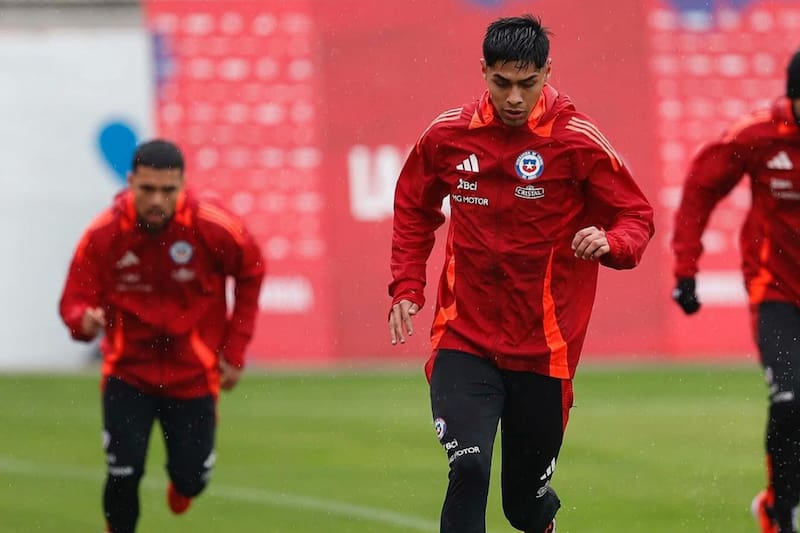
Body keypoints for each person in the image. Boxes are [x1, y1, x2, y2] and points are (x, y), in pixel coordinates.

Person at [387, 14, 654, 533]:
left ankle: (540, 517)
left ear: (547, 72)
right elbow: (413, 205)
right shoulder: (447, 136)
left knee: (522, 508)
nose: (514, 97)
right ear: (482, 71)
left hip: (544, 352)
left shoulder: (576, 140)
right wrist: (406, 285)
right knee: (468, 465)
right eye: (502, 82)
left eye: (527, 84)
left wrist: (612, 242)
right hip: (464, 337)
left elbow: (636, 215)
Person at [59, 139, 265, 533]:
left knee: (192, 480)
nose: (157, 200)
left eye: (167, 191)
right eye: (147, 189)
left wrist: (234, 350)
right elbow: (74, 298)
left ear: (183, 186)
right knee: (122, 473)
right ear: (130, 182)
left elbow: (252, 268)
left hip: (193, 376)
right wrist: (81, 321)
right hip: (127, 373)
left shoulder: (213, 227)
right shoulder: (103, 234)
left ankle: (184, 485)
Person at [672, 50, 800, 533]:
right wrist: (686, 269)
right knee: (790, 402)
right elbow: (701, 188)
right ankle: (780, 511)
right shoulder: (759, 135)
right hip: (778, 293)